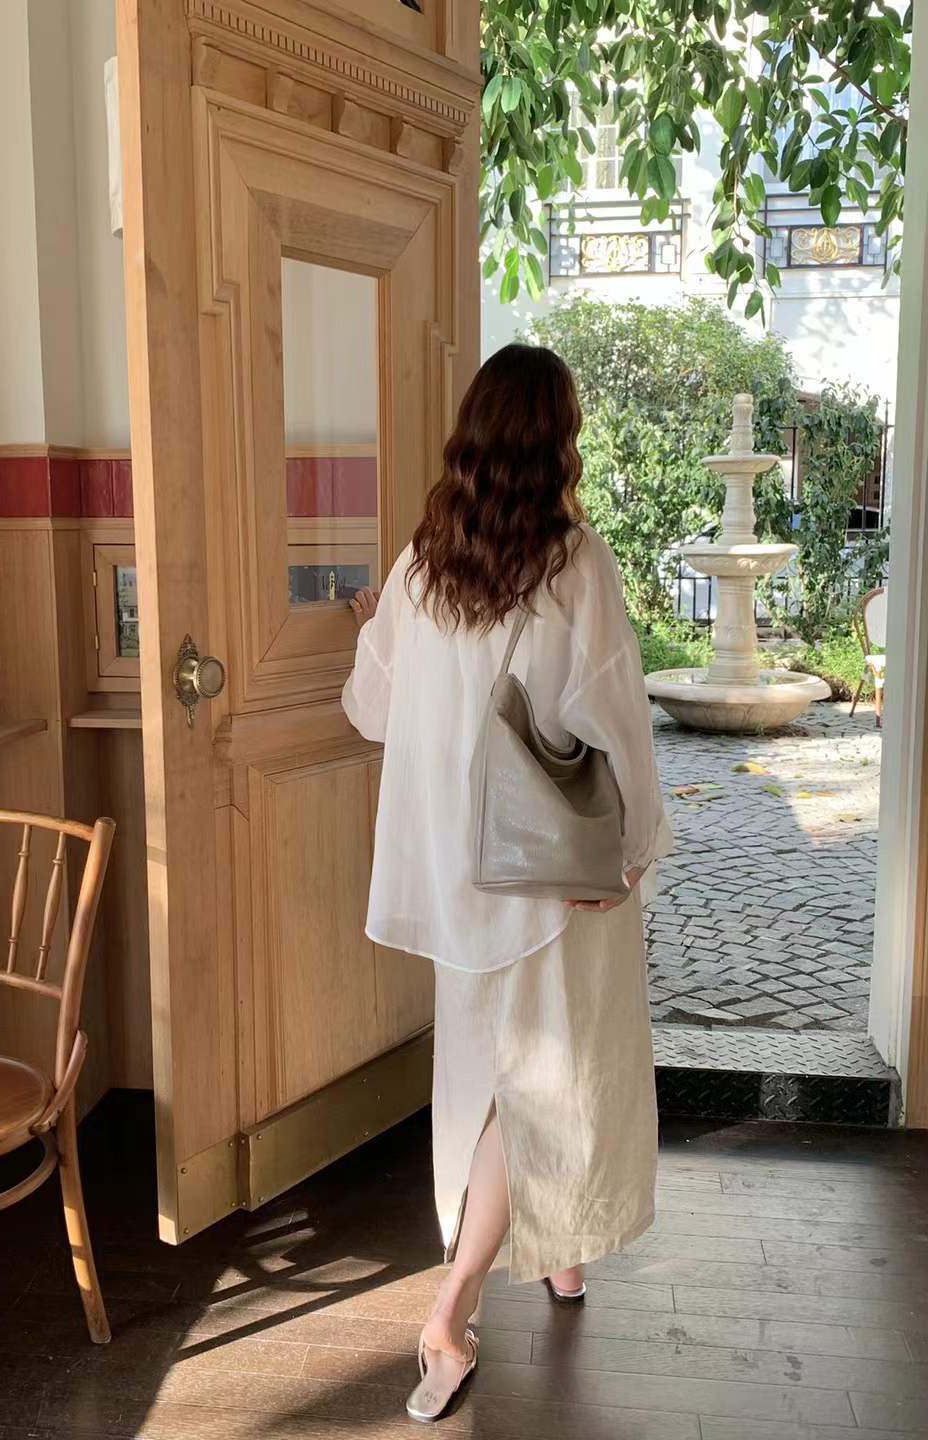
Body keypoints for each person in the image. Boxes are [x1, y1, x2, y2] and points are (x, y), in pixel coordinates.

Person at [341, 342, 673, 1422]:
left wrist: (380, 633)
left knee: (490, 1072)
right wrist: (635, 849)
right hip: (549, 875)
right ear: (559, 441)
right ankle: (451, 1311)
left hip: (460, 873)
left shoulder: (421, 565)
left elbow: (372, 711)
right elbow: (613, 717)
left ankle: (556, 1255)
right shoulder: (575, 562)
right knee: (542, 1086)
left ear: (473, 438)